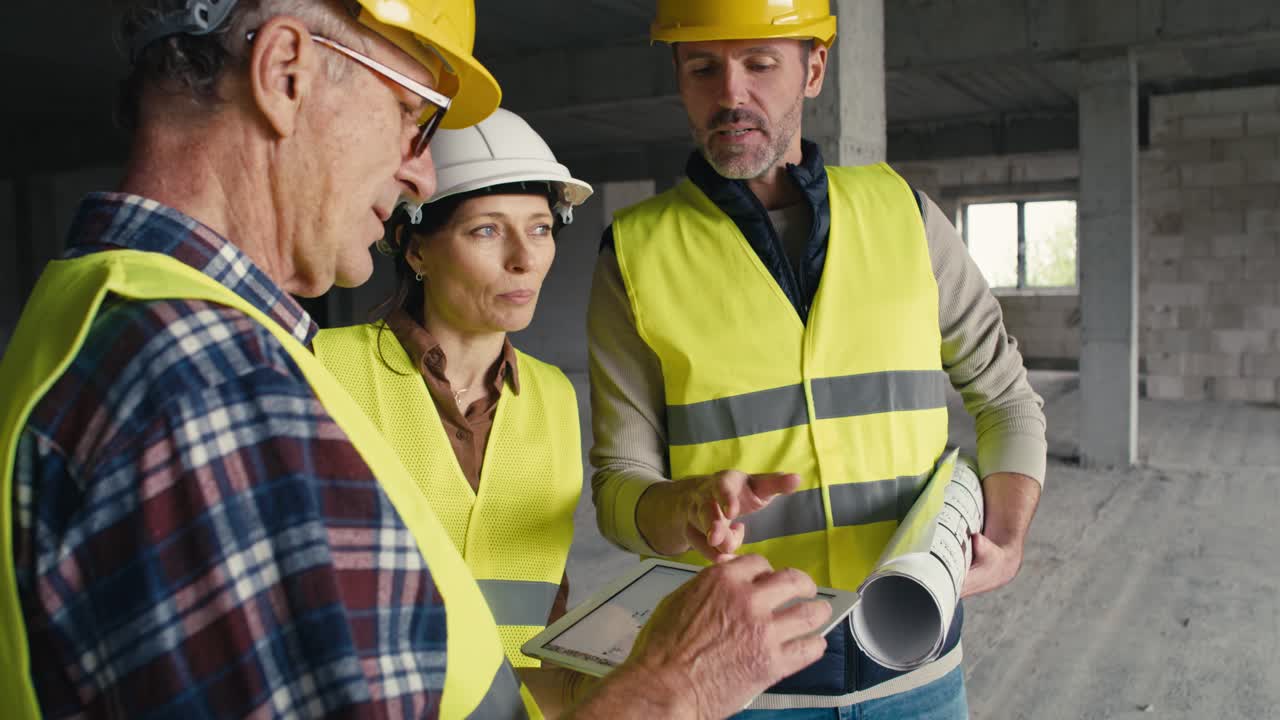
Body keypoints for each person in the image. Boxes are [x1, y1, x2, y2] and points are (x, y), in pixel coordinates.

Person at [0, 1, 832, 718]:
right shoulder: (221, 389)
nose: (421, 170)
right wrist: (674, 687)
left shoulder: (103, 310)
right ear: (285, 72)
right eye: (413, 113)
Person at [587, 0, 1047, 717]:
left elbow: (1006, 397)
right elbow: (619, 489)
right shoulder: (635, 254)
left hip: (918, 670)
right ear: (678, 76)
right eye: (702, 67)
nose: (731, 93)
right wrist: (682, 506)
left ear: (815, 70)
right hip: (742, 685)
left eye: (760, 63)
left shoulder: (906, 217)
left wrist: (1009, 539)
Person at [314, 107, 594, 715]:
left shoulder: (554, 396)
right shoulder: (322, 369)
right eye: (487, 231)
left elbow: (543, 605)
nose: (524, 258)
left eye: (541, 228)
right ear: (416, 250)